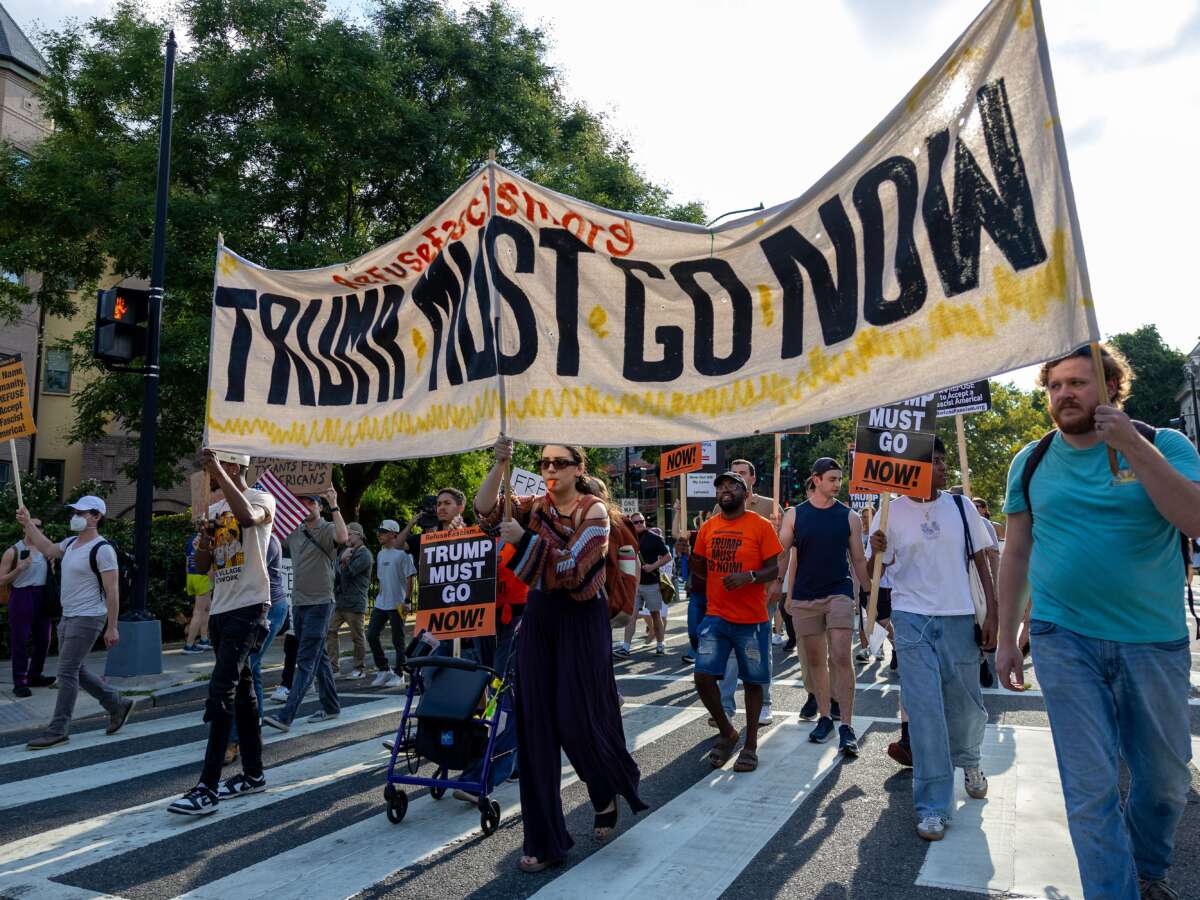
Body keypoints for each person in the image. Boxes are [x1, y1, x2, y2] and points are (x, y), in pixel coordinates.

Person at [995, 345, 1200, 900]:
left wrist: (1130, 443)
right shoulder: (1030, 461)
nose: (1064, 394)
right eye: (1055, 385)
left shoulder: (1164, 445)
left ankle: (1147, 870)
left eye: (1079, 382)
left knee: (1165, 785)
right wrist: (1005, 637)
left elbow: (1194, 518)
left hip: (1153, 643)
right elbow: (1015, 552)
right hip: (1063, 640)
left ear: (1111, 387)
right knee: (1090, 791)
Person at [475, 439, 645, 873]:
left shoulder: (595, 512)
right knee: (535, 727)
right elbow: (485, 509)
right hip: (540, 617)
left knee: (577, 720)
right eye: (544, 462)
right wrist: (499, 464)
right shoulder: (534, 506)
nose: (550, 468)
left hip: (582, 619)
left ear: (577, 468)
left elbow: (576, 571)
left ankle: (603, 790)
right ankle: (545, 840)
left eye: (559, 462)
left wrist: (525, 541)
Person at [868, 437, 996, 842]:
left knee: (966, 707)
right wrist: (876, 549)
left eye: (943, 461)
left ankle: (971, 759)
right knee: (924, 714)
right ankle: (933, 806)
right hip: (911, 619)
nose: (942, 468)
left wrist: (992, 611)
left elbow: (982, 560)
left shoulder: (960, 507)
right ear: (915, 469)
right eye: (934, 462)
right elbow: (877, 569)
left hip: (958, 617)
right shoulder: (890, 512)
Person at [168, 449, 275, 814]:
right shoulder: (214, 511)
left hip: (250, 607)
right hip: (221, 609)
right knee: (243, 694)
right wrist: (202, 540)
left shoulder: (261, 498)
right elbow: (202, 566)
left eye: (215, 467)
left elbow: (247, 518)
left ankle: (207, 787)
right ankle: (254, 775)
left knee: (222, 690)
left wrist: (216, 469)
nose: (208, 474)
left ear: (231, 466)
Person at [17, 496, 133, 750]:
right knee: (74, 668)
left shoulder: (102, 549)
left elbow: (112, 591)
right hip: (69, 615)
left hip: (89, 617)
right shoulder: (70, 543)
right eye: (75, 512)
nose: (75, 517)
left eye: (81, 513)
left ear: (96, 517)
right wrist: (28, 524)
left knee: (67, 671)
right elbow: (47, 549)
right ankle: (116, 703)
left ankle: (58, 729)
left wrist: (112, 626)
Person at [774, 458, 871, 755]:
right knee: (816, 661)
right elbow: (781, 554)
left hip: (839, 593)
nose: (837, 484)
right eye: (831, 478)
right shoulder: (794, 515)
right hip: (805, 596)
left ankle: (847, 726)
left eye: (839, 479)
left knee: (842, 655)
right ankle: (826, 717)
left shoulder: (849, 517)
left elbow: (857, 559)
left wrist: (868, 591)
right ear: (815, 480)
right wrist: (776, 587)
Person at [692, 470, 782, 774]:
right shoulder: (708, 527)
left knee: (753, 682)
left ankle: (751, 744)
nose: (725, 489)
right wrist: (691, 557)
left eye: (733, 485)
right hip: (716, 616)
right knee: (703, 676)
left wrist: (750, 577)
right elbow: (699, 568)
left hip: (752, 620)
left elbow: (774, 569)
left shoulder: (761, 526)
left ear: (747, 495)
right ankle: (728, 731)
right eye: (720, 486)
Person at [706, 459, 783, 726]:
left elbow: (780, 549)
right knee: (727, 654)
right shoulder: (720, 507)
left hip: (760, 594)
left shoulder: (770, 506)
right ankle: (726, 706)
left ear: (751, 479)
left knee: (757, 653)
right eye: (731, 475)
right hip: (724, 600)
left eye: (740, 475)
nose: (732, 480)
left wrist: (778, 584)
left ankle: (764, 703)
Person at [263, 489, 347, 732]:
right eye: (303, 503)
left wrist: (334, 504)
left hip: (320, 603)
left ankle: (285, 717)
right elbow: (270, 534)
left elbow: (342, 537)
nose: (307, 506)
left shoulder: (327, 528)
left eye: (311, 503)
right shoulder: (294, 531)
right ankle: (331, 707)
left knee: (306, 660)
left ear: (319, 507)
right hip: (299, 604)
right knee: (318, 657)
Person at [226, 532, 289, 766]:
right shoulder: (238, 539)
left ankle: (234, 739)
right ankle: (254, 729)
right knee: (252, 669)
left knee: (245, 668)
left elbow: (250, 575)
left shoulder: (267, 540)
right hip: (245, 608)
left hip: (269, 609)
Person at [1, 528, 53, 698]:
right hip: (21, 596)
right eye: (32, 525)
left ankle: (34, 676)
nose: (35, 529)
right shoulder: (13, 551)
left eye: (39, 526)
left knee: (44, 639)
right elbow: (1, 579)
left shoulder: (47, 550)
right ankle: (20, 681)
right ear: (25, 527)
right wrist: (19, 569)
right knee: (20, 640)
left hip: (42, 595)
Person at [614, 513, 671, 657]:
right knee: (631, 615)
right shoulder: (627, 539)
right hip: (634, 584)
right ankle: (626, 647)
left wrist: (653, 566)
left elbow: (668, 556)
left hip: (651, 583)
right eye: (635, 522)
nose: (639, 524)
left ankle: (660, 644)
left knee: (655, 615)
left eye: (641, 521)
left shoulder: (654, 538)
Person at [368, 519, 415, 687]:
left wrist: (407, 601)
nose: (379, 534)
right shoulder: (380, 553)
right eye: (379, 531)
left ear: (393, 534)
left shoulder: (403, 554)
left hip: (398, 604)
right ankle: (384, 669)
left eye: (383, 531)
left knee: (398, 640)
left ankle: (399, 673)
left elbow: (410, 578)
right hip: (381, 603)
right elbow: (381, 578)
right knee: (371, 635)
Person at [328, 522, 372, 678]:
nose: (346, 537)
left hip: (355, 603)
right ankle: (334, 668)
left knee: (357, 636)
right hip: (340, 601)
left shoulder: (364, 554)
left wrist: (343, 561)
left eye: (349, 534)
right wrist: (342, 560)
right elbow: (334, 572)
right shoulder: (345, 551)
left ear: (359, 536)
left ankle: (359, 668)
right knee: (330, 630)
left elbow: (348, 573)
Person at [182, 528, 212, 654]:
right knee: (199, 612)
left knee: (206, 608)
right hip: (202, 576)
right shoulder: (208, 540)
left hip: (191, 576)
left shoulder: (191, 539)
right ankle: (189, 645)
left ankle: (204, 640)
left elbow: (187, 560)